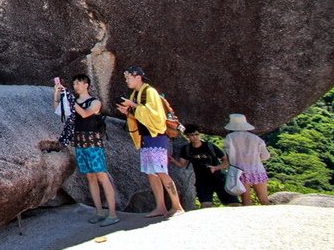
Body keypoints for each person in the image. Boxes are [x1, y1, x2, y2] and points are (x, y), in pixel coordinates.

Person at [115, 65, 185, 217]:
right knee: (151, 173)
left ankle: (177, 205)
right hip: (145, 137)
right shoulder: (135, 94)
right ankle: (160, 206)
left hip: (157, 137)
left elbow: (155, 115)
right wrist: (128, 111)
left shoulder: (149, 91)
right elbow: (140, 115)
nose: (126, 80)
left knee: (161, 171)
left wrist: (133, 105)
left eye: (128, 77)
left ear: (138, 76)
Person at [53, 74, 120, 226]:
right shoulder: (73, 101)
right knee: (90, 177)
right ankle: (99, 211)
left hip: (93, 141)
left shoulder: (95, 102)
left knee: (102, 176)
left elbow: (84, 114)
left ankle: (112, 214)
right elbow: (59, 112)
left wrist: (70, 100)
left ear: (86, 85)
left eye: (78, 83)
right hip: (79, 141)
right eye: (74, 83)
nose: (75, 85)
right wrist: (57, 94)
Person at [169, 124, 240, 208]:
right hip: (202, 182)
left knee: (234, 204)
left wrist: (216, 167)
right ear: (187, 136)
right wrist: (172, 160)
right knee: (206, 206)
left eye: (196, 134)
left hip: (219, 179)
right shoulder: (187, 149)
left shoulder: (209, 146)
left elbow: (226, 161)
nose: (195, 137)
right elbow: (181, 164)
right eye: (192, 135)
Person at [223, 113, 271, 206]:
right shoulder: (256, 138)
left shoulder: (230, 137)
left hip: (240, 171)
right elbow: (265, 156)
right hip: (258, 170)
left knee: (246, 201)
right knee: (264, 200)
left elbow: (228, 155)